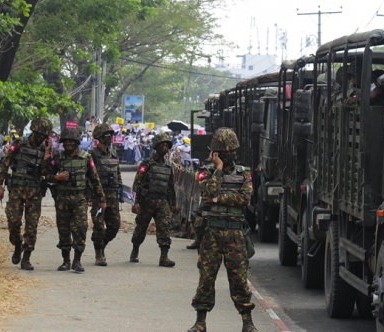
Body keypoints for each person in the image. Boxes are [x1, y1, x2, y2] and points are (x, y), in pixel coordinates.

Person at [188, 127, 258, 332]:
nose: (228, 155)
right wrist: (217, 169)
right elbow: (206, 191)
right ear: (215, 154)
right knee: (206, 279)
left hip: (235, 235)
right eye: (223, 153)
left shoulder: (244, 173)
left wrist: (218, 198)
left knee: (239, 280)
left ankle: (248, 322)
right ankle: (200, 322)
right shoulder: (205, 172)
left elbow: (244, 199)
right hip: (211, 234)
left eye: (229, 152)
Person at [45, 128, 106, 273]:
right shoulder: (58, 157)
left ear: (77, 142)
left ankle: (77, 260)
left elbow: (95, 179)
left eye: (72, 141)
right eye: (66, 142)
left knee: (80, 228)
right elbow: (46, 174)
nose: (69, 144)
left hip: (80, 198)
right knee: (63, 229)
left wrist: (102, 199)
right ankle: (66, 261)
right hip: (62, 199)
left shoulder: (86, 158)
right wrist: (56, 178)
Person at [0, 117, 53, 271]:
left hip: (34, 192)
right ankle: (17, 244)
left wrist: (47, 154)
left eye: (45, 135)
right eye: (40, 134)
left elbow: (46, 173)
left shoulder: (45, 150)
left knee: (31, 226)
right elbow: (5, 164)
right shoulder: (20, 143)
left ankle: (26, 257)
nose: (42, 137)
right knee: (13, 220)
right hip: (17, 189)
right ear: (33, 131)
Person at [130, 133, 178, 267]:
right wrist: (135, 203)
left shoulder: (168, 166)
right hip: (147, 201)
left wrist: (173, 204)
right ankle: (135, 250)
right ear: (156, 147)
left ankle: (164, 256)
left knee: (164, 228)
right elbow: (137, 183)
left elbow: (170, 186)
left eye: (167, 145)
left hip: (162, 202)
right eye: (162, 145)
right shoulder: (147, 163)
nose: (165, 148)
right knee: (141, 227)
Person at [89, 124, 123, 266]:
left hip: (112, 195)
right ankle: (99, 254)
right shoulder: (92, 155)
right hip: (98, 196)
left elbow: (118, 174)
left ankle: (101, 244)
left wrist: (120, 192)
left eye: (110, 134)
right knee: (98, 225)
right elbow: (89, 176)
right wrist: (91, 196)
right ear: (99, 137)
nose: (109, 137)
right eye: (106, 135)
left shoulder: (114, 154)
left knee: (114, 226)